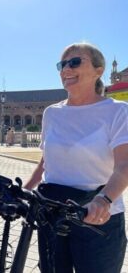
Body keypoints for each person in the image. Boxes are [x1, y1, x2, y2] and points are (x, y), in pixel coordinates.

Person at [24, 42, 128, 272]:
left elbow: (124, 164)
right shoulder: (52, 113)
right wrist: (26, 190)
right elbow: (46, 161)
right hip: (52, 211)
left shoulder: (118, 111)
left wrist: (104, 200)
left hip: (97, 216)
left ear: (99, 70)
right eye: (62, 64)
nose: (66, 69)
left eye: (75, 62)